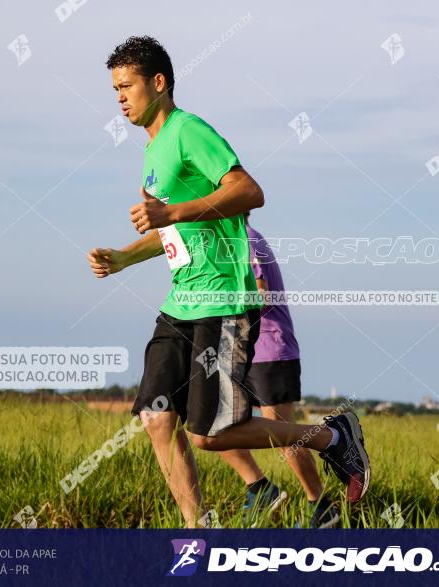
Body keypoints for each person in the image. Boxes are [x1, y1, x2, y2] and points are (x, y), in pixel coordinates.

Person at [87, 36, 369, 528]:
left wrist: (170, 209)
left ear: (159, 83)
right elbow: (174, 233)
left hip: (223, 300)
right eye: (114, 89)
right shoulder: (153, 152)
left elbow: (249, 191)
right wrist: (125, 257)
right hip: (181, 301)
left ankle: (333, 438)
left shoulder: (189, 130)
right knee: (156, 418)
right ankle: (197, 534)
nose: (119, 98)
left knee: (210, 435)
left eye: (126, 86)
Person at [217, 211, 339, 528]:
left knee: (284, 437)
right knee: (212, 426)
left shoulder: (244, 239)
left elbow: (262, 295)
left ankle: (322, 507)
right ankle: (261, 488)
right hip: (239, 351)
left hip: (270, 350)